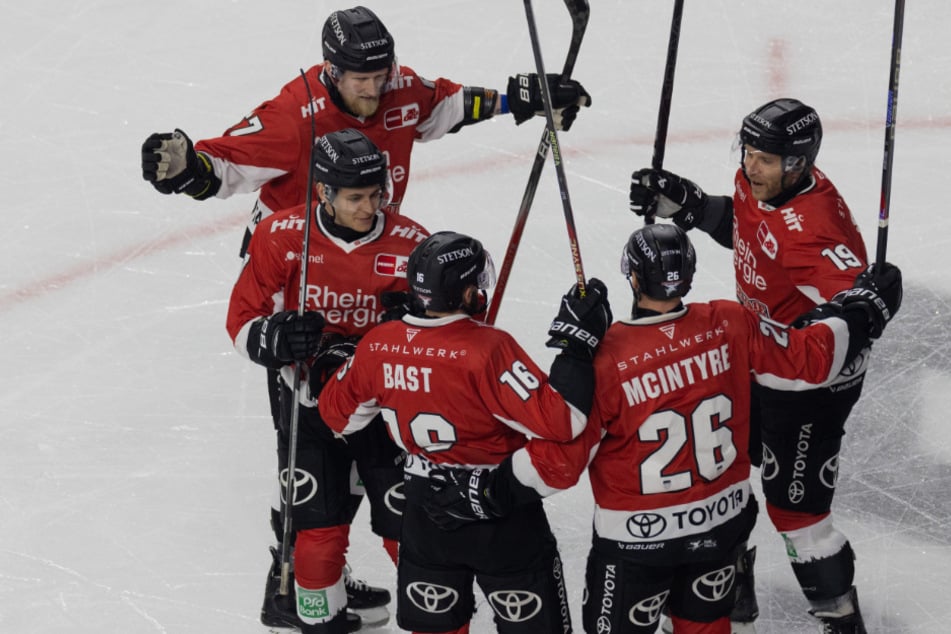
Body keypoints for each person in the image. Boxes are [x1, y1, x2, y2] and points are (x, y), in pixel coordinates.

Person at [141, 7, 591, 622]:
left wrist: (524, 96)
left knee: (383, 450)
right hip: (303, 278)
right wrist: (187, 171)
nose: (375, 88)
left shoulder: (399, 107)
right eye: (360, 78)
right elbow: (222, 168)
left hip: (379, 275)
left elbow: (449, 107)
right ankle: (296, 574)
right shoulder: (292, 119)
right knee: (311, 458)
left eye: (381, 73)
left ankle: (408, 569)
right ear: (331, 69)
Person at [422, 224, 902, 634]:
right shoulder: (732, 322)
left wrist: (485, 491)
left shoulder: (605, 357)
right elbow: (811, 358)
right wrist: (863, 309)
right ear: (687, 275)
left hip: (636, 546)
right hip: (722, 525)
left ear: (631, 276)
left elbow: (559, 464)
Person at [628, 98, 883, 632]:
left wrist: (869, 303)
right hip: (758, 358)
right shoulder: (762, 186)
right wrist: (692, 207)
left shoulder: (813, 230)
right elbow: (749, 231)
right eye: (747, 152)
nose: (750, 167)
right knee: (723, 473)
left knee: (798, 517)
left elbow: (855, 306)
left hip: (809, 381)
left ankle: (841, 619)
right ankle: (734, 579)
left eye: (765, 159)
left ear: (799, 162)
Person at [316, 230, 614, 634]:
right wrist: (575, 348)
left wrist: (371, 353)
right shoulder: (488, 349)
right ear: (466, 291)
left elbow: (338, 416)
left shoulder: (378, 344)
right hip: (500, 515)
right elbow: (563, 421)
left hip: (424, 515)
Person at [226, 128, 431, 633]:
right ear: (323, 193)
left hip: (384, 407)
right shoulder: (279, 235)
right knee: (317, 526)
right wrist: (275, 339)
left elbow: (455, 331)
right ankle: (321, 617)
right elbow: (241, 320)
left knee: (409, 526)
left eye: (376, 194)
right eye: (356, 198)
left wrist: (419, 323)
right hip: (306, 400)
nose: (370, 208)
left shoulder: (413, 243)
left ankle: (434, 616)